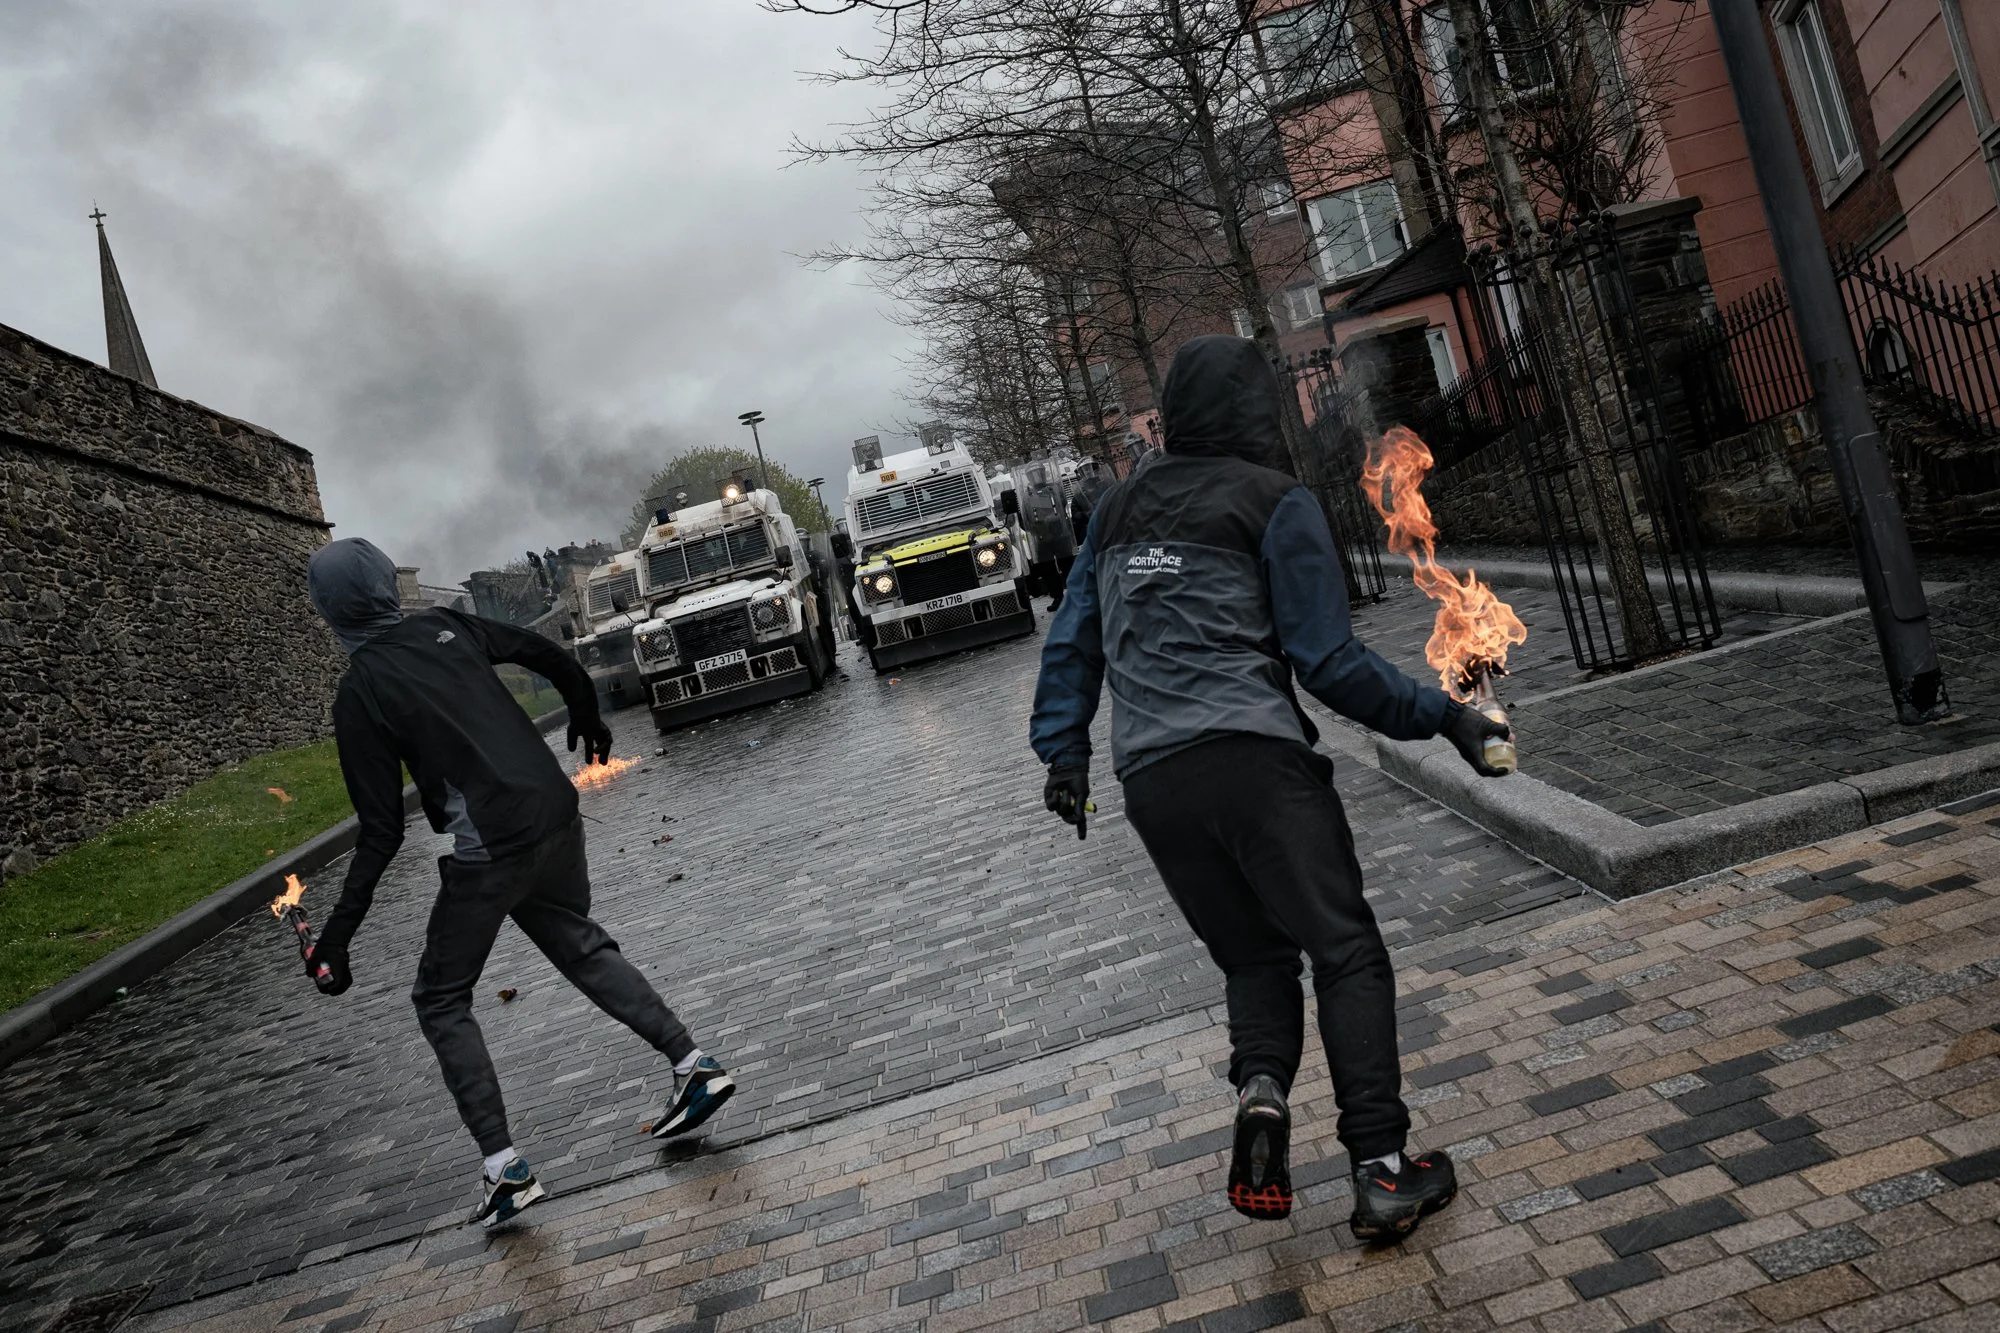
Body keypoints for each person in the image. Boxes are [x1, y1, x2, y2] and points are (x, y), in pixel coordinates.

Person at [1028, 336, 1512, 1240]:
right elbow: (1327, 663)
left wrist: (1065, 752)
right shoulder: (1276, 502)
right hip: (1256, 764)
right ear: (1260, 412)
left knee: (1253, 956)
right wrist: (1443, 713)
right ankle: (1381, 1167)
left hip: (1153, 783)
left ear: (1173, 415)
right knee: (1345, 948)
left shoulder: (1116, 508)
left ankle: (1262, 1096)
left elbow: (1074, 641)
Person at [304, 538, 735, 1230]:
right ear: (389, 588)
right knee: (579, 943)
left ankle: (504, 1168)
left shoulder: (360, 691)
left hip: (492, 846)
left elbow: (380, 831)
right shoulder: (452, 627)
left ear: (327, 612)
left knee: (440, 998)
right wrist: (588, 717)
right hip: (555, 812)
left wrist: (334, 940)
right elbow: (552, 655)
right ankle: (695, 1064)